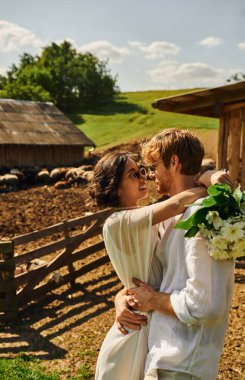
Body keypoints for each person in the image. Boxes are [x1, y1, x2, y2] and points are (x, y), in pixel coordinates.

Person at [89, 140, 232, 380]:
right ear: (116, 187)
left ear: (173, 162)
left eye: (145, 169)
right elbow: (177, 203)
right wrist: (207, 180)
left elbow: (141, 276)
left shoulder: (147, 219)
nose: (145, 177)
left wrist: (122, 296)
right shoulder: (118, 221)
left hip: (156, 333)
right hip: (138, 329)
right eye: (135, 174)